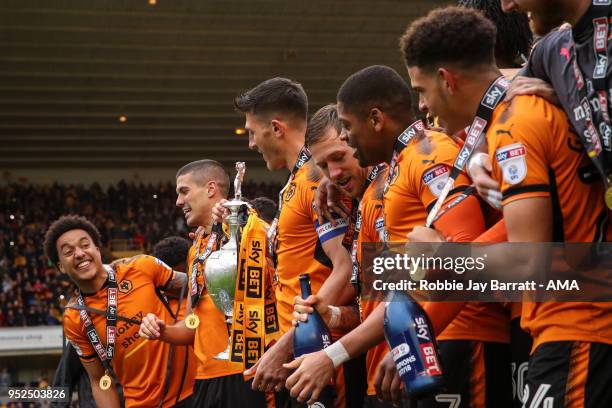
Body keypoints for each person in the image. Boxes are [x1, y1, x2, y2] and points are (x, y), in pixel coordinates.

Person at [402, 6, 612, 407]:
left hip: (579, 325)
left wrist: (444, 258)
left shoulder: (514, 124)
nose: (424, 108)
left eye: (421, 91)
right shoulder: (523, 106)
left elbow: (529, 262)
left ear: (446, 80)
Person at [285, 65, 511, 407]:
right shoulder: (394, 173)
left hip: (455, 340)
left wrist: (414, 335)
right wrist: (336, 316)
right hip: (418, 346)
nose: (346, 138)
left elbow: (467, 262)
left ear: (375, 119)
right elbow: (393, 291)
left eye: (346, 129)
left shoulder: (429, 153)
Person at [227, 77, 358, 407]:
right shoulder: (296, 184)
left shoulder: (318, 180)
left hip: (319, 350)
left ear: (275, 127)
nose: (251, 143)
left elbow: (347, 267)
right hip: (298, 348)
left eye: (252, 132)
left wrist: (286, 345)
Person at [139, 160, 267, 408]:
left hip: (248, 371)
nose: (178, 202)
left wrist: (238, 224)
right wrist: (162, 330)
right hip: (205, 378)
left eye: (184, 191)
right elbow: (193, 324)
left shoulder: (247, 226)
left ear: (210, 189)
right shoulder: (195, 250)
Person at [45, 215, 192, 407]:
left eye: (85, 245)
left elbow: (197, 288)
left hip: (193, 393)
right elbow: (99, 380)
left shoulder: (141, 266)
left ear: (97, 250)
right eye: (68, 251)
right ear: (61, 267)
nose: (79, 253)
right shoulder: (74, 317)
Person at [150, 236, 197, 407]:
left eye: (183, 275)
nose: (180, 283)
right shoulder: (152, 306)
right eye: (172, 279)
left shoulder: (201, 300)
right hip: (164, 401)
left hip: (199, 392)